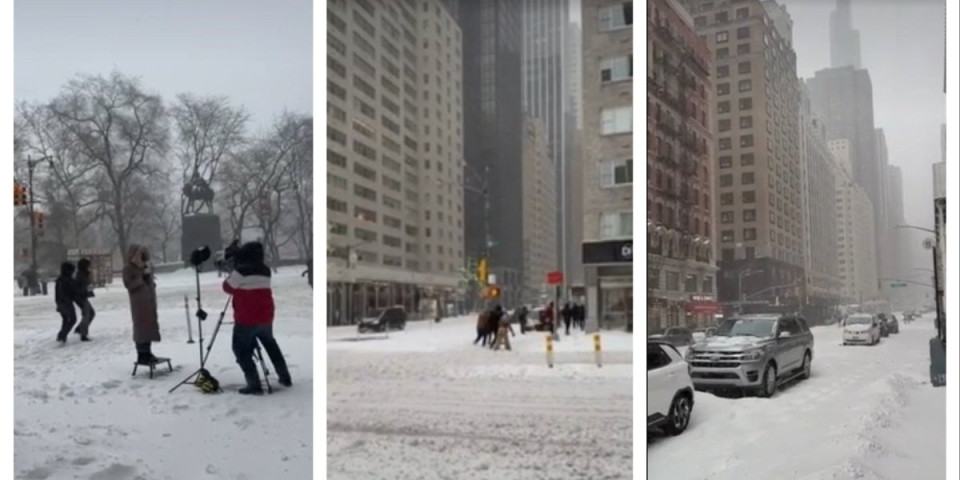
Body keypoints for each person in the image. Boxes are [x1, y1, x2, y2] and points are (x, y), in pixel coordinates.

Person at [223, 241, 292, 394]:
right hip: (266, 317)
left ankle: (254, 383)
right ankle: (285, 376)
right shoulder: (266, 270)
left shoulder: (240, 272)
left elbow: (227, 287)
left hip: (246, 319)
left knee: (241, 350)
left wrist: (232, 269)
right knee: (271, 346)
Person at [123, 245, 162, 364]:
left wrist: (150, 281)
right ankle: (141, 353)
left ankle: (148, 351)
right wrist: (141, 279)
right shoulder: (128, 268)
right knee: (140, 327)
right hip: (138, 302)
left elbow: (149, 281)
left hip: (149, 301)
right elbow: (128, 285)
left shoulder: (145, 266)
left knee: (149, 326)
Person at [55, 262, 79, 343]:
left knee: (65, 319)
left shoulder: (60, 279)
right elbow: (72, 291)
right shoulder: (68, 280)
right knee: (72, 319)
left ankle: (62, 336)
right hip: (66, 302)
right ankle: (62, 335)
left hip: (60, 302)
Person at [73, 258, 96, 341]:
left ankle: (80, 329)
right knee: (86, 314)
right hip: (80, 297)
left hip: (82, 296)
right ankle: (83, 334)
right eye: (88, 266)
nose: (89, 267)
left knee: (91, 313)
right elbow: (81, 287)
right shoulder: (81, 275)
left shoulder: (83, 274)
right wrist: (88, 289)